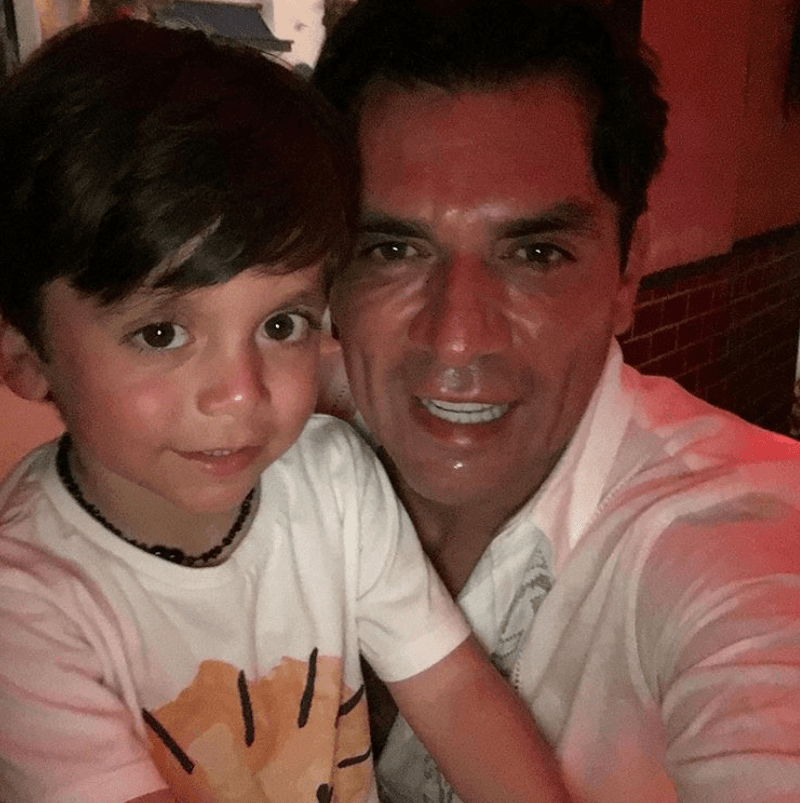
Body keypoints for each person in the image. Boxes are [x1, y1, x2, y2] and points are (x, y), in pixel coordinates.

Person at [0, 20, 571, 803]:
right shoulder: (25, 605)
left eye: (281, 324)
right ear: (25, 354)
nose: (241, 392)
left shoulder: (332, 481)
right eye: (162, 333)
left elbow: (454, 690)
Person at [312, 1, 800, 801]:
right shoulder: (256, 447)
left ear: (628, 272)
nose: (457, 339)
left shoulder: (735, 537)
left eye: (535, 253)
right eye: (393, 249)